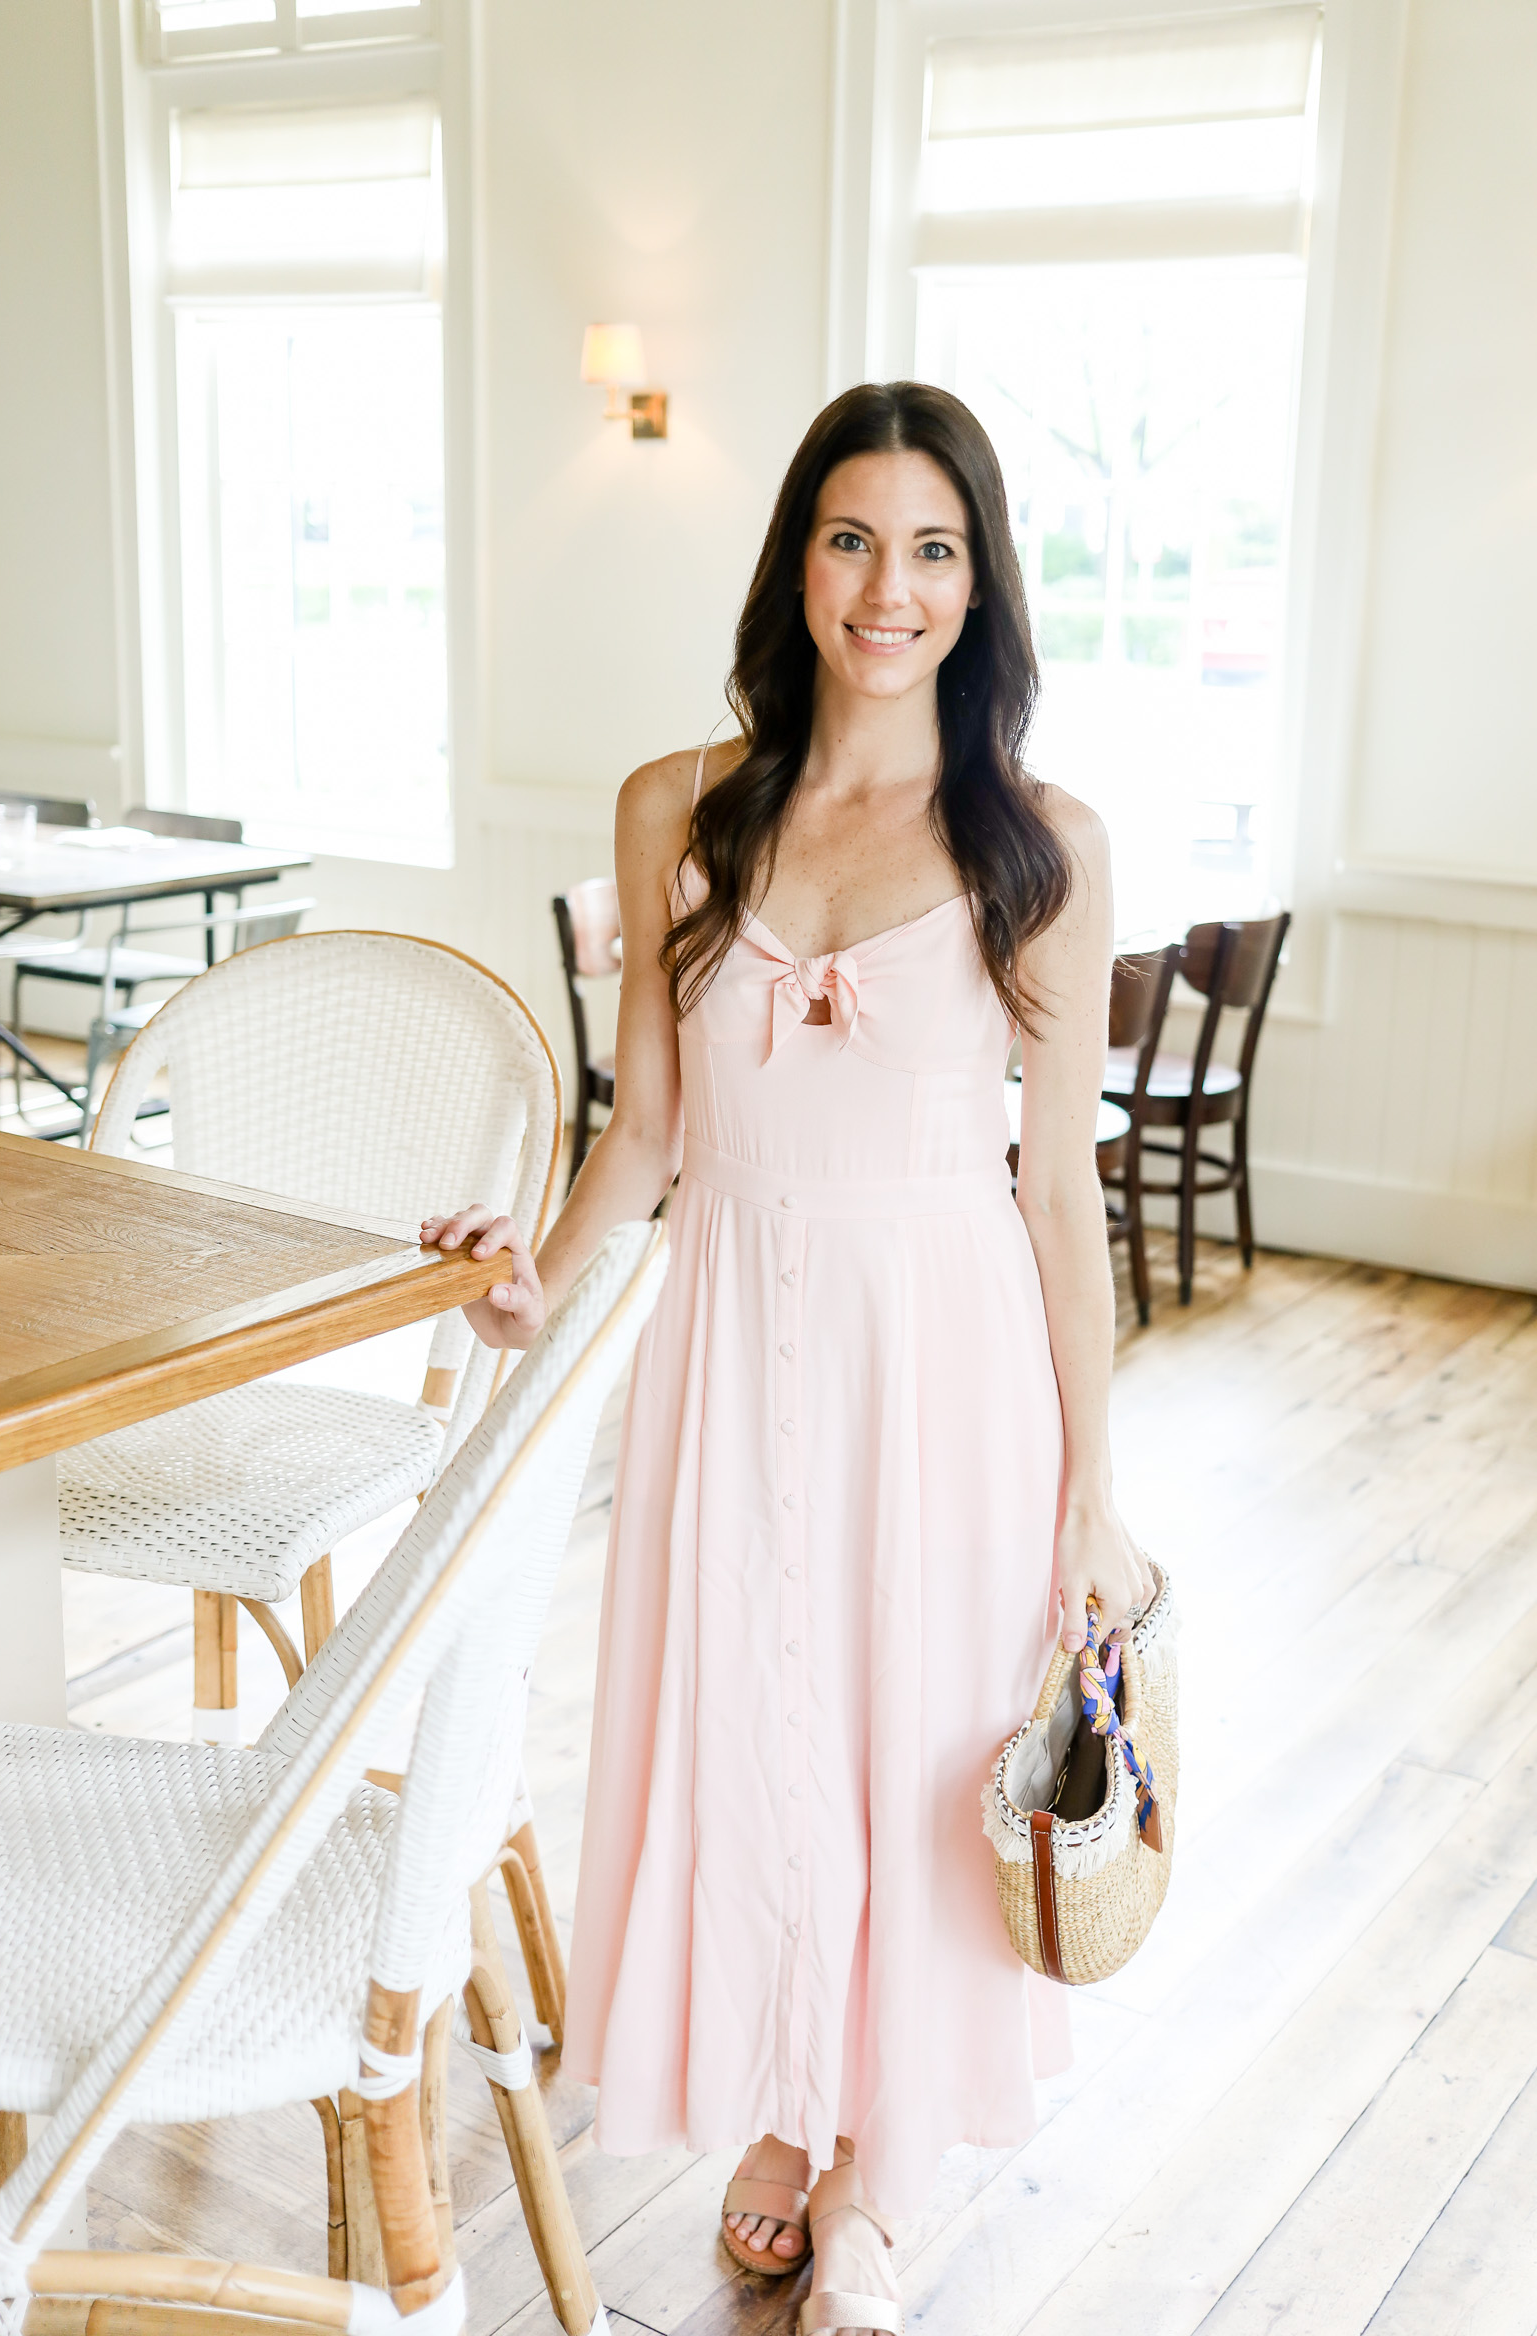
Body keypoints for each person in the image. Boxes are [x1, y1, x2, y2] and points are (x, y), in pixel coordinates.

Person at [422, 382, 1155, 2336]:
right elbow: (644, 1132)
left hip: (944, 1362)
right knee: (746, 1727)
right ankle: (778, 2094)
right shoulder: (680, 807)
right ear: (794, 563)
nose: (886, 587)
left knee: (913, 1749)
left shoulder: (1041, 847)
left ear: (979, 582)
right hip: (727, 1339)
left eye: (931, 547)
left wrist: (1095, 1497)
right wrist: (534, 1285)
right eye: (849, 539)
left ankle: (872, 2171)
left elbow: (1060, 1197)